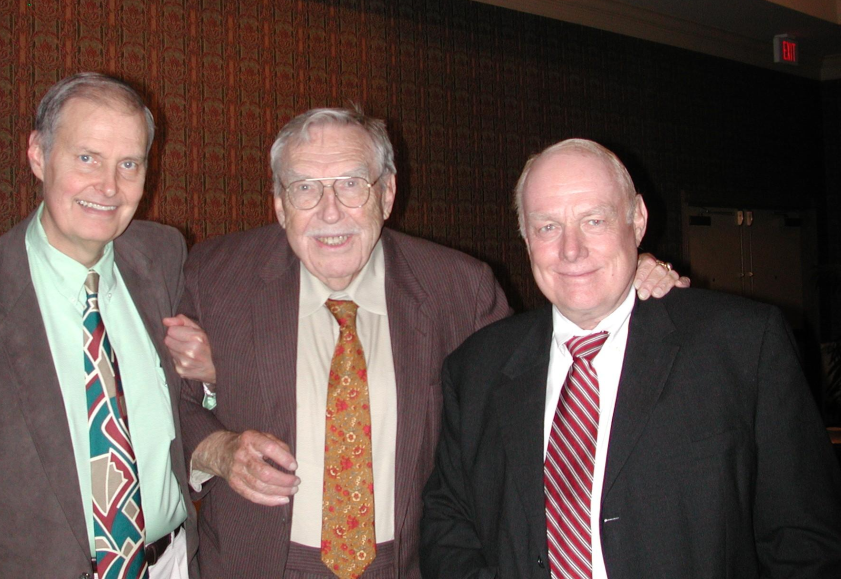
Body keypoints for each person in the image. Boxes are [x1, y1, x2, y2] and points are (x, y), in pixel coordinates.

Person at [166, 113, 684, 578]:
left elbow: (533, 394)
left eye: (351, 184)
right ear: (280, 205)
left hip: (408, 564)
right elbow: (172, 403)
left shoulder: (459, 288)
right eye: (305, 188)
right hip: (256, 564)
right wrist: (219, 448)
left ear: (387, 194)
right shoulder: (217, 276)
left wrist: (618, 286)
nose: (330, 212)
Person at [420, 138, 841, 579]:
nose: (570, 250)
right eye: (547, 227)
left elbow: (804, 539)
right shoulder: (476, 368)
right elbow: (449, 528)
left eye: (594, 221)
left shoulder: (741, 345)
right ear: (525, 237)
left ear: (637, 220)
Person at [0, 73, 200, 579]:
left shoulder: (162, 256)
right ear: (38, 154)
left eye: (129, 164)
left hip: (171, 564)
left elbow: (191, 400)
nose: (108, 186)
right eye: (86, 158)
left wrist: (208, 378)